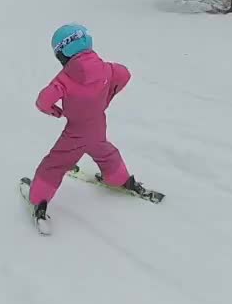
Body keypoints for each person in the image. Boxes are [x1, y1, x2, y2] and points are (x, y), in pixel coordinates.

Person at [25, 23, 147, 223]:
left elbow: (43, 100)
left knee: (55, 164)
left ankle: (39, 199)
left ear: (62, 53)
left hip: (76, 131)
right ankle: (119, 179)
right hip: (98, 124)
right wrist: (108, 94)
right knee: (105, 152)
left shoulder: (65, 78)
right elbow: (125, 74)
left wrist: (53, 110)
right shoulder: (107, 69)